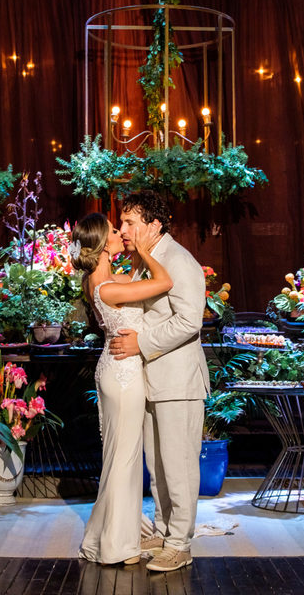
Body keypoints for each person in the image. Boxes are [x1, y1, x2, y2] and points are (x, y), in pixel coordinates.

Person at [109, 191, 209, 573]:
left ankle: (181, 543)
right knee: (159, 465)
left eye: (131, 222)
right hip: (150, 380)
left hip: (178, 382)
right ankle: (166, 531)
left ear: (154, 224)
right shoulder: (144, 261)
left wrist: (140, 343)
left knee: (179, 465)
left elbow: (189, 322)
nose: (123, 229)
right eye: (122, 222)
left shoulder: (179, 261)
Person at [72, 212, 172, 566]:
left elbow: (136, 281)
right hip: (123, 375)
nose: (121, 234)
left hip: (115, 370)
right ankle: (115, 545)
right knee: (124, 459)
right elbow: (164, 282)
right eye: (115, 231)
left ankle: (113, 537)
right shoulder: (110, 288)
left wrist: (134, 257)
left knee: (122, 458)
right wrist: (144, 251)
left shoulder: (101, 281)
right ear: (102, 244)